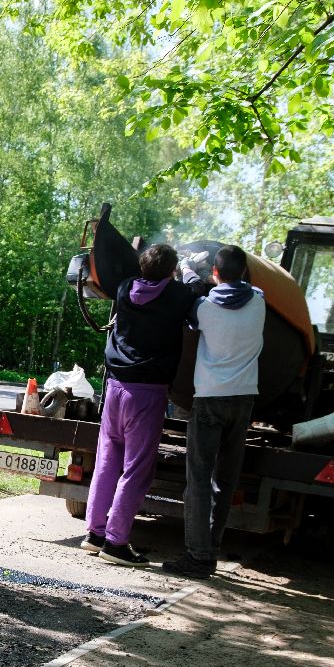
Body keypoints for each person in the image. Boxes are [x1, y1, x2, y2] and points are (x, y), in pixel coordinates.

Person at [82, 243, 197, 566]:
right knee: (136, 469)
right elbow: (195, 290)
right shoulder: (176, 295)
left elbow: (139, 278)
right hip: (147, 392)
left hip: (115, 387)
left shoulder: (123, 289)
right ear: (172, 271)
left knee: (107, 460)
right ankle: (116, 542)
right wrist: (189, 269)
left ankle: (95, 532)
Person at [164, 245, 265, 579]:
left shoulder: (205, 309)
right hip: (244, 399)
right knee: (225, 479)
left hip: (209, 399)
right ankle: (213, 545)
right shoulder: (260, 301)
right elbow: (239, 290)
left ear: (216, 274)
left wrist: (189, 269)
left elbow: (194, 297)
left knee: (199, 479)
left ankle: (198, 556)